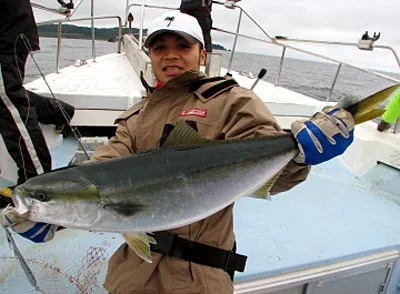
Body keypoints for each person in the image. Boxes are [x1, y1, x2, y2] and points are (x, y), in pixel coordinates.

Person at [1, 11, 355, 293]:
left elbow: (271, 172)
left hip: (199, 277)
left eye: (182, 46)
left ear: (202, 54)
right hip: (132, 275)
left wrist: (300, 153)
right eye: (159, 47)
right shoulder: (137, 115)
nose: (170, 54)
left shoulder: (231, 100)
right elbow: (103, 170)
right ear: (150, 55)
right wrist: (52, 218)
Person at [0, 0, 75, 206]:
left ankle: (36, 183)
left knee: (6, 99)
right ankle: (57, 112)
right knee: (7, 95)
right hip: (12, 23)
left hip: (7, 28)